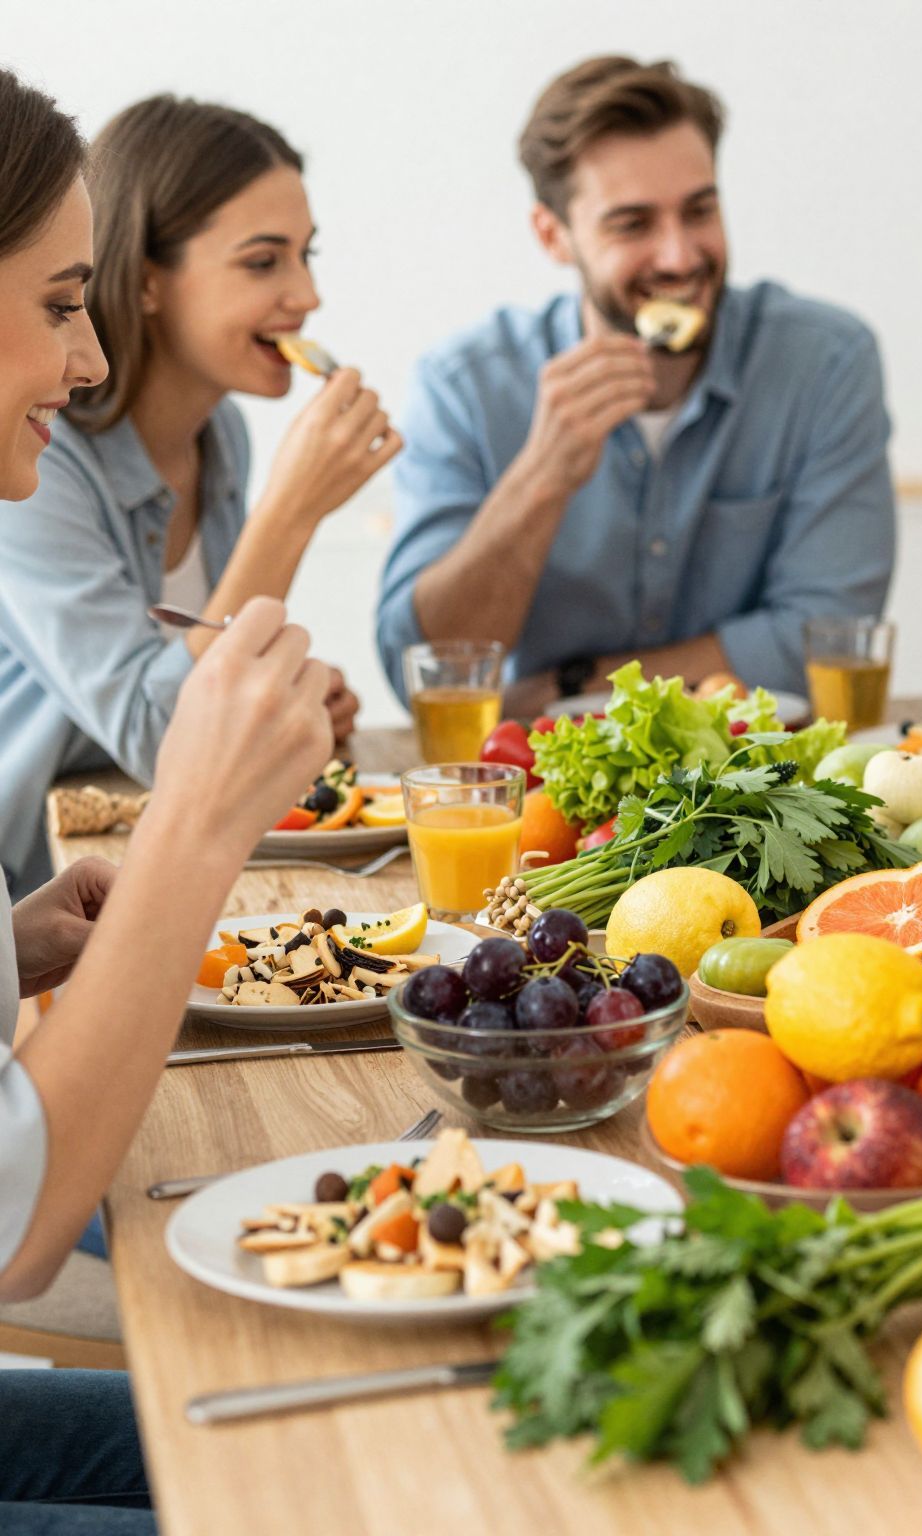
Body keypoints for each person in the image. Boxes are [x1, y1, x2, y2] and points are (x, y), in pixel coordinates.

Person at [0, 69, 335, 1531]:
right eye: (58, 303)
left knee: (322, 1450)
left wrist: (15, 944)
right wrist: (202, 820)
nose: (82, 367)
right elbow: (13, 1226)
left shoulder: (228, 439)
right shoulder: (60, 472)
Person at [377, 54, 896, 714]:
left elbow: (825, 640)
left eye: (699, 211)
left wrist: (574, 687)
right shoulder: (464, 387)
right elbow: (427, 675)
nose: (680, 256)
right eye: (633, 224)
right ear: (553, 235)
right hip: (544, 795)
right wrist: (541, 479)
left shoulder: (823, 362)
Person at [0, 96, 384, 892]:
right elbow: (161, 731)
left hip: (157, 833)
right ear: (145, 282)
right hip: (44, 865)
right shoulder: (36, 452)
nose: (305, 294)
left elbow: (206, 670)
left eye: (307, 256)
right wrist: (292, 512)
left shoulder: (224, 436)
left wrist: (282, 692)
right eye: (263, 261)